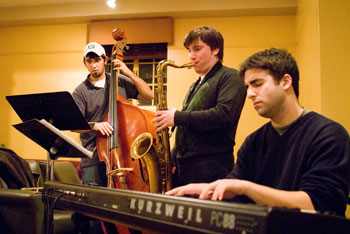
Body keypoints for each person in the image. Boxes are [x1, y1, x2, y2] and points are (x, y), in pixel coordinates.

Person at [166, 48, 350, 216]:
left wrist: (245, 187)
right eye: (247, 87)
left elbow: (318, 205)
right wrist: (205, 189)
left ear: (286, 81)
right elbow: (235, 192)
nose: (249, 94)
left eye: (257, 84)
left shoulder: (329, 135)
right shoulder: (254, 142)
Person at [152, 26, 246, 186]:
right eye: (189, 50)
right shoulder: (195, 85)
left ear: (215, 49)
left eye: (197, 49)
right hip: (186, 168)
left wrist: (177, 116)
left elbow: (224, 115)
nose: (191, 56)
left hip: (211, 168)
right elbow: (187, 127)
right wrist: (173, 158)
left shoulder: (230, 77)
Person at [72, 42, 154, 187]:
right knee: (93, 205)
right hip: (93, 159)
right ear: (85, 63)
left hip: (124, 155)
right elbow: (74, 125)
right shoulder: (80, 92)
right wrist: (95, 125)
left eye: (97, 60)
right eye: (89, 61)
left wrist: (127, 72)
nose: (93, 65)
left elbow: (148, 95)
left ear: (105, 60)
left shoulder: (119, 81)